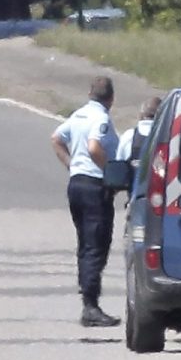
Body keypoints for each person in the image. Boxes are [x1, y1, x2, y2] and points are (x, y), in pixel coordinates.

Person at [51, 76, 121, 327]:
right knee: (96, 243)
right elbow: (94, 148)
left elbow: (56, 139)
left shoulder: (79, 114)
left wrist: (72, 166)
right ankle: (90, 305)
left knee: (85, 242)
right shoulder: (101, 119)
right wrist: (109, 174)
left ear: (91, 94)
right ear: (111, 99)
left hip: (77, 184)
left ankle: (88, 299)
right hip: (93, 186)